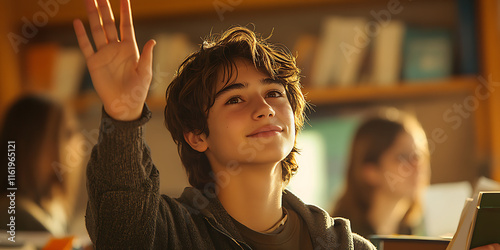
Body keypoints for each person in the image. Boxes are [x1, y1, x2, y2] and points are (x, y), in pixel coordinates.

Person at [72, 0, 376, 248]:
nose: (265, 109)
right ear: (197, 136)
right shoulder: (169, 233)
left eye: (273, 93)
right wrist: (123, 116)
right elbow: (120, 232)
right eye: (234, 99)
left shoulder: (344, 245)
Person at [331, 108, 430, 238]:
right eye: (403, 157)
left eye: (419, 155)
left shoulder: (413, 234)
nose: (417, 165)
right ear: (370, 171)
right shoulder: (339, 239)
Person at [0, 95, 83, 236]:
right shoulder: (14, 215)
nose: (79, 142)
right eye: (67, 133)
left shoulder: (55, 209)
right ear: (32, 145)